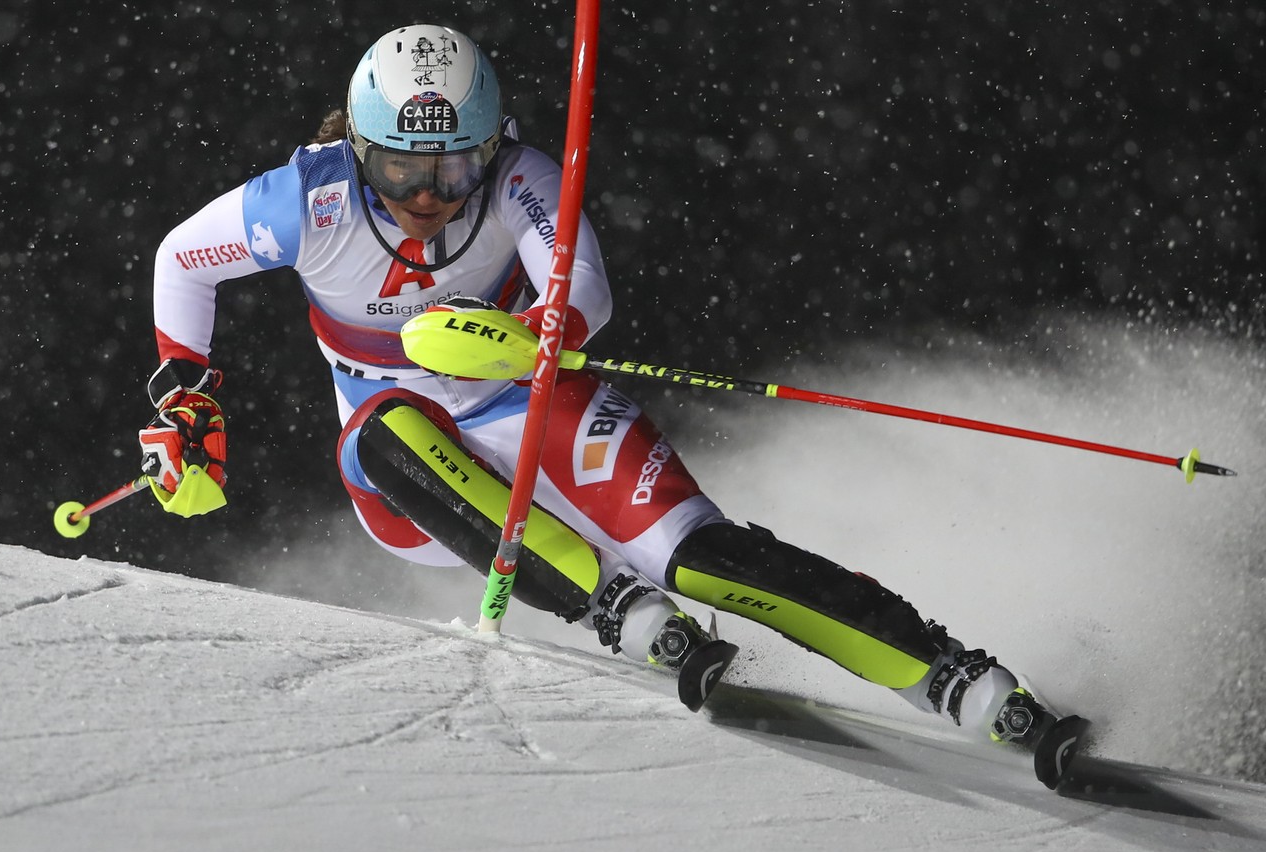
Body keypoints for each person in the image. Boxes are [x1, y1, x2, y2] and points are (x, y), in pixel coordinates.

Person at [137, 23, 1060, 748]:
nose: (426, 197)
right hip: (414, 482)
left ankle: (952, 675)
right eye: (399, 169)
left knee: (702, 557)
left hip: (528, 404)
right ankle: (610, 605)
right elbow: (183, 260)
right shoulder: (308, 200)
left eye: (452, 167)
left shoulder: (519, 179)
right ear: (360, 150)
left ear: (490, 148)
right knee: (381, 429)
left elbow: (583, 283)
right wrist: (186, 398)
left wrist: (540, 332)